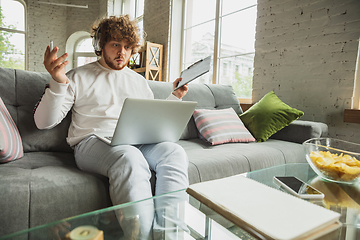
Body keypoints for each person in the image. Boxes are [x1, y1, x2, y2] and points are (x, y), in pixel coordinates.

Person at [34, 15, 190, 239]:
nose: (122, 52)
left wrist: (175, 97)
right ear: (101, 45)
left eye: (127, 46)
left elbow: (151, 119)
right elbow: (44, 122)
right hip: (92, 143)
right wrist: (58, 81)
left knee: (175, 152)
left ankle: (169, 234)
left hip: (135, 140)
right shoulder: (77, 76)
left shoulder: (138, 81)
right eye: (115, 44)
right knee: (129, 158)